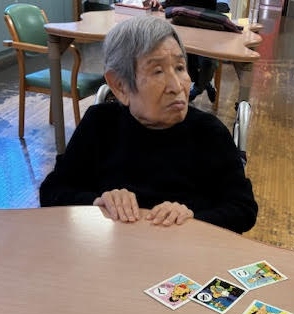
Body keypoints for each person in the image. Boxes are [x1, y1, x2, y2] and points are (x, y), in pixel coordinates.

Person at [39, 17, 258, 233]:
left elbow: (243, 209)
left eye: (180, 67)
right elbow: (52, 191)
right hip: (115, 247)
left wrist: (194, 218)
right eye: (158, 71)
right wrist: (98, 201)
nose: (177, 86)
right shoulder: (100, 124)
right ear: (120, 86)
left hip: (184, 248)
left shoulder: (209, 133)